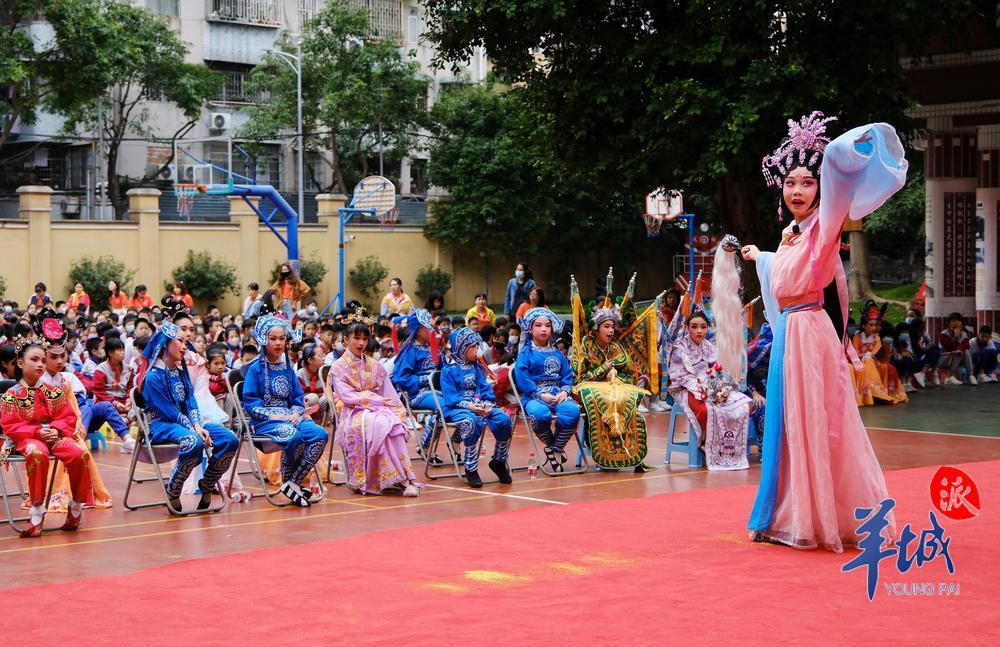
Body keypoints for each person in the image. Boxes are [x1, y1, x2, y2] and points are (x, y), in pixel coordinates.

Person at [742, 112, 905, 552]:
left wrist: (844, 154)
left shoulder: (826, 226)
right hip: (791, 333)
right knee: (789, 424)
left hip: (810, 333)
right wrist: (761, 255)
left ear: (822, 190)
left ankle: (814, 519)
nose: (797, 190)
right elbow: (785, 273)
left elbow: (833, 169)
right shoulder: (791, 233)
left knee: (815, 422)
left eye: (808, 183)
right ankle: (789, 511)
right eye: (791, 182)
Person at [135, 321, 238, 513]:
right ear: (166, 344)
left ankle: (208, 483)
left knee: (230, 439)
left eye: (185, 341)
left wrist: (198, 424)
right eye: (180, 341)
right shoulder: (153, 377)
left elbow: (190, 400)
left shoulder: (180, 371)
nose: (185, 346)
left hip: (186, 424)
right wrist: (194, 429)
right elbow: (169, 412)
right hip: (161, 425)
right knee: (194, 442)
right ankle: (173, 489)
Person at [1, 338, 91, 537]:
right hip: (26, 439)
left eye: (43, 360)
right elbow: (10, 426)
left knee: (79, 454)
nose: (41, 364)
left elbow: (67, 417)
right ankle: (37, 511)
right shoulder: (11, 395)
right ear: (21, 363)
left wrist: (56, 430)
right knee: (37, 453)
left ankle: (75, 507)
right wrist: (37, 432)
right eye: (35, 359)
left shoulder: (53, 392)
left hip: (53, 436)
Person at [328, 308, 420, 496]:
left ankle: (402, 477)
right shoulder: (338, 367)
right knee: (381, 423)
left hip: (378, 410)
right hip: (353, 412)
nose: (362, 343)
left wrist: (397, 411)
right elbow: (347, 396)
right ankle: (389, 479)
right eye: (356, 338)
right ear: (345, 339)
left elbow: (389, 393)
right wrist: (376, 401)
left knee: (394, 423)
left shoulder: (375, 365)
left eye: (365, 338)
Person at [569, 273, 655, 471]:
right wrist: (605, 368)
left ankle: (628, 453)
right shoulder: (586, 344)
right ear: (597, 328)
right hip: (589, 388)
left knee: (627, 401)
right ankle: (604, 452)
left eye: (612, 327)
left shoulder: (616, 346)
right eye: (606, 327)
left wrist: (617, 379)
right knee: (604, 402)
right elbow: (581, 377)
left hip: (613, 387)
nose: (610, 331)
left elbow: (629, 372)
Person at [241, 315, 328, 506]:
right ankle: (291, 483)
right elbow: (250, 403)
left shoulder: (287, 366)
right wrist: (275, 415)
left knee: (320, 434)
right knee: (293, 436)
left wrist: (296, 413)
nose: (278, 343)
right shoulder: (255, 369)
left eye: (281, 338)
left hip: (289, 418)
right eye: (273, 339)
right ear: (264, 340)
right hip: (264, 422)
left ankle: (292, 483)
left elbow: (297, 397)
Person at [667, 311, 752, 470]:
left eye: (703, 327)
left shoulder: (709, 346)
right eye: (694, 327)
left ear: (707, 328)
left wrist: (724, 384)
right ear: (687, 328)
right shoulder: (680, 348)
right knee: (705, 409)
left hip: (710, 386)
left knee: (743, 405)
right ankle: (708, 443)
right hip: (685, 388)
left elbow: (717, 370)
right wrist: (701, 387)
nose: (699, 331)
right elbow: (679, 376)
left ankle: (726, 446)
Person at [441, 326, 513, 488]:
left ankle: (499, 461)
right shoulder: (448, 370)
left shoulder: (476, 368)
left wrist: (487, 405)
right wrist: (471, 406)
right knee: (471, 422)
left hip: (478, 405)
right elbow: (451, 398)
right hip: (457, 408)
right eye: (473, 347)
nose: (477, 350)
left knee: (503, 419)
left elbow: (485, 389)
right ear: (462, 348)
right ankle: (470, 467)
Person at [513, 307, 580, 472]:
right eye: (538, 325)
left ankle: (554, 449)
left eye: (547, 325)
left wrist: (565, 391)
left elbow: (567, 374)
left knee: (572, 411)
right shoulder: (525, 353)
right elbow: (522, 378)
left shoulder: (557, 352)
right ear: (530, 328)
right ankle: (555, 449)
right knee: (539, 415)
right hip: (534, 395)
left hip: (558, 394)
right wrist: (540, 395)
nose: (544, 329)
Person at [391, 309, 441, 460]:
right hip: (415, 394)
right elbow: (401, 378)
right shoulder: (409, 351)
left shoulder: (432, 348)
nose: (433, 330)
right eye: (429, 327)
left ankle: (456, 445)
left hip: (435, 391)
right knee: (442, 406)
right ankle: (425, 446)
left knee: (456, 403)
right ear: (419, 330)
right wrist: (427, 379)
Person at [850, 301, 908, 405]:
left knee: (876, 363)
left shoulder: (876, 338)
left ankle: (876, 392)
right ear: (863, 325)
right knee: (866, 362)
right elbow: (854, 353)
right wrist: (864, 355)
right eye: (871, 325)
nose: (874, 328)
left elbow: (874, 353)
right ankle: (872, 393)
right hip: (858, 362)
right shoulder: (857, 338)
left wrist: (867, 356)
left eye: (876, 325)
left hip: (874, 361)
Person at [937, 312, 974, 385]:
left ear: (961, 322)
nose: (956, 323)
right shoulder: (944, 334)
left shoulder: (964, 334)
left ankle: (971, 375)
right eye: (953, 321)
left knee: (964, 351)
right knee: (958, 352)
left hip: (957, 358)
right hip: (943, 359)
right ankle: (950, 376)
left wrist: (959, 348)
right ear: (950, 323)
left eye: (958, 321)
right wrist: (956, 337)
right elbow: (949, 347)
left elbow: (967, 345)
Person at [296, 342, 327, 421]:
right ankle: (306, 420)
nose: (324, 358)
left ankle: (323, 421)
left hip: (319, 400)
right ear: (310, 360)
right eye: (320, 356)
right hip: (304, 403)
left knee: (328, 397)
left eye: (324, 355)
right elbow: (299, 395)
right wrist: (319, 395)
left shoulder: (323, 372)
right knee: (313, 397)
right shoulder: (301, 373)